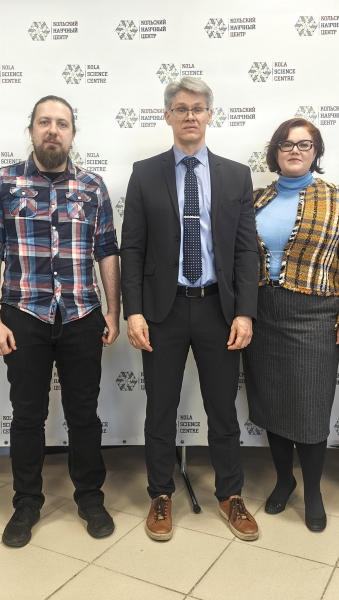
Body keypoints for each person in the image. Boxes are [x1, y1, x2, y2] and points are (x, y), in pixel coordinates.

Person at [0, 95, 121, 547]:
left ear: (73, 133)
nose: (52, 130)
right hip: (23, 314)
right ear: (32, 130)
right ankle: (26, 503)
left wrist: (113, 310)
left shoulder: (93, 187)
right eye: (44, 122)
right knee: (27, 415)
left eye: (62, 123)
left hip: (81, 314)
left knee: (84, 414)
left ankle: (90, 498)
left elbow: (107, 251)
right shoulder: (2, 182)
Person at [121, 77, 260, 542]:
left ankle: (230, 494)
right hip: (162, 311)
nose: (190, 116)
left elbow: (246, 251)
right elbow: (132, 248)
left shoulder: (236, 175)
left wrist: (245, 313)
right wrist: (133, 312)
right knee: (160, 409)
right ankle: (160, 494)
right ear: (167, 116)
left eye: (198, 108)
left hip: (219, 309)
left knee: (223, 409)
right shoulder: (145, 173)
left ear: (210, 115)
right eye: (181, 109)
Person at [241, 118, 339, 532]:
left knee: (310, 407)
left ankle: (313, 492)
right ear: (275, 152)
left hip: (315, 314)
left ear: (316, 152)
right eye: (286, 144)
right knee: (273, 403)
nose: (295, 150)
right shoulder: (255, 199)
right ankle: (284, 481)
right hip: (263, 312)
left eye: (304, 144)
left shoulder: (338, 199)